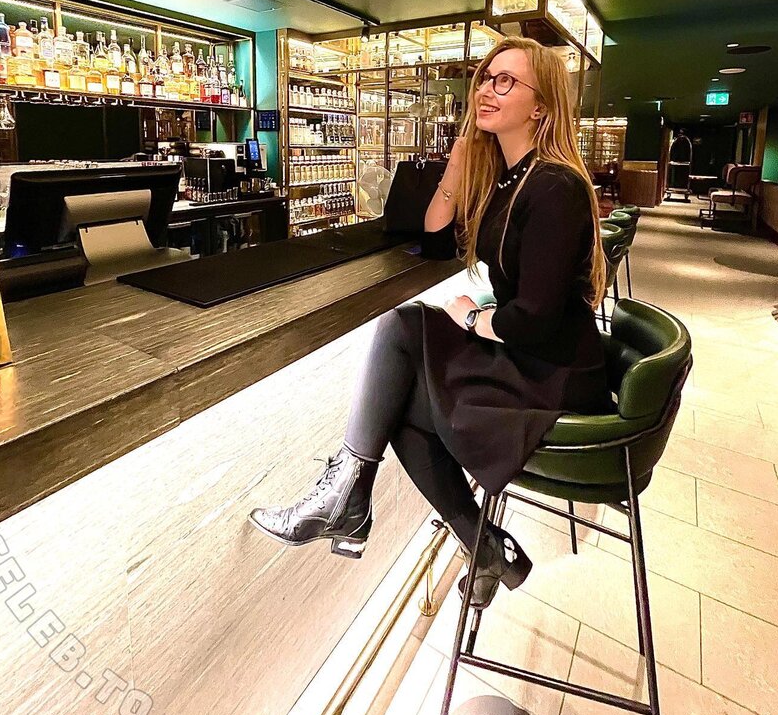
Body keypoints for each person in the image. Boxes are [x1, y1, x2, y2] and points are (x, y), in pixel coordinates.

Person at [249, 36, 612, 609]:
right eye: (485, 77)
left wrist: (474, 318)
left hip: (555, 370)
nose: (487, 89)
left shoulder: (554, 186)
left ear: (541, 107)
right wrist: (459, 163)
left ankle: (367, 504)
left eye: (506, 81)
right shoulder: (509, 178)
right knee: (401, 340)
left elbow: (536, 320)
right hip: (528, 354)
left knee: (401, 386)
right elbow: (436, 237)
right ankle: (379, 506)